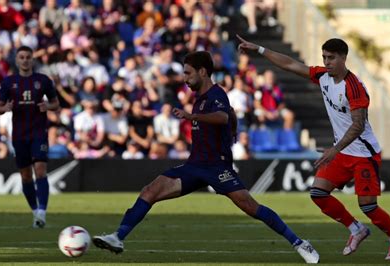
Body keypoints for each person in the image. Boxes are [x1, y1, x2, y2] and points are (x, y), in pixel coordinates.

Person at [92, 51, 319, 264]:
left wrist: (193, 117)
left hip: (216, 166)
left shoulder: (216, 94)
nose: (185, 77)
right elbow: (229, 116)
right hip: (195, 165)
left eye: (188, 73)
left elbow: (222, 116)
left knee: (251, 206)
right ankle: (118, 236)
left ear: (202, 72)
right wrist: (232, 130)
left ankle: (299, 243)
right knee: (149, 191)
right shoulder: (199, 97)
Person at [237, 36, 390, 260]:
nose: (327, 62)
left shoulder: (354, 87)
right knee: (318, 193)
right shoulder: (323, 77)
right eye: (324, 57)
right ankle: (356, 229)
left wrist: (334, 150)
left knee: (368, 206)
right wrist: (259, 48)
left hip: (364, 154)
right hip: (342, 151)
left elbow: (358, 125)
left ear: (344, 58)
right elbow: (289, 64)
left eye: (331, 58)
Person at [0, 45, 59, 228]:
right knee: (25, 176)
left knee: (40, 169)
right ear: (17, 60)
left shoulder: (43, 81)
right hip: (19, 135)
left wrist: (48, 106)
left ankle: (42, 212)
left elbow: (56, 103)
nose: (25, 60)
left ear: (32, 59)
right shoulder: (8, 82)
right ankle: (35, 211)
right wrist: (5, 108)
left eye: (28, 57)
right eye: (21, 57)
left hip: (39, 132)